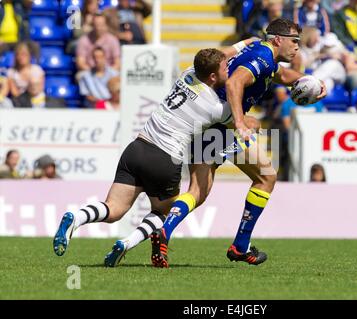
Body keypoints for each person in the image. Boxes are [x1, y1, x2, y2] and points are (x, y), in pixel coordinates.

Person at [52, 40, 258, 259]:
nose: (230, 69)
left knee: (113, 209)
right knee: (167, 211)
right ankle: (127, 242)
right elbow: (242, 122)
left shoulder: (188, 74)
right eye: (226, 68)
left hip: (137, 148)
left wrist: (245, 43)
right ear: (213, 77)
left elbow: (220, 56)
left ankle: (77, 216)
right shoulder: (217, 108)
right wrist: (256, 124)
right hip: (165, 158)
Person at [146, 18, 327, 268]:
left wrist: (311, 81)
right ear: (277, 40)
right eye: (294, 41)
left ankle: (165, 230)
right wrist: (240, 122)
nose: (297, 47)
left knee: (197, 192)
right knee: (266, 177)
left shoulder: (264, 56)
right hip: (225, 125)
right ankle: (240, 246)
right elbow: (234, 82)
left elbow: (282, 75)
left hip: (207, 126)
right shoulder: (262, 57)